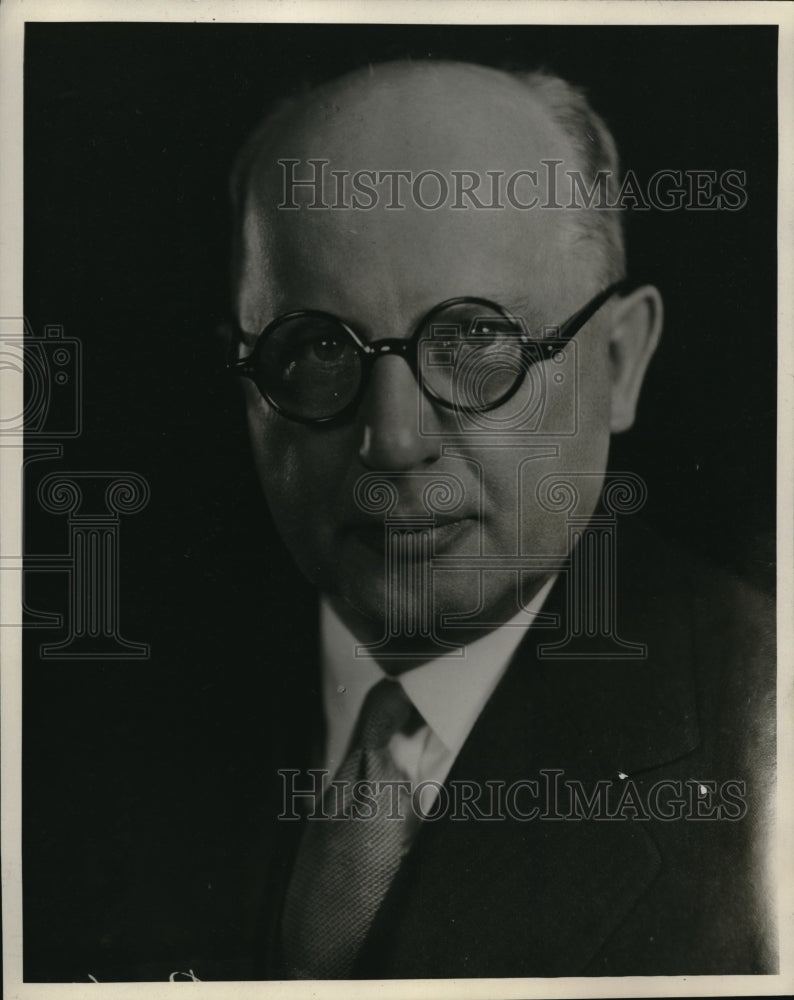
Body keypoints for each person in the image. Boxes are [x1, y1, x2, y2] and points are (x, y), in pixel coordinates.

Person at [220, 59, 776, 979]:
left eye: (478, 339)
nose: (393, 441)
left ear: (621, 360)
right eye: (317, 347)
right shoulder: (75, 733)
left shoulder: (765, 725)